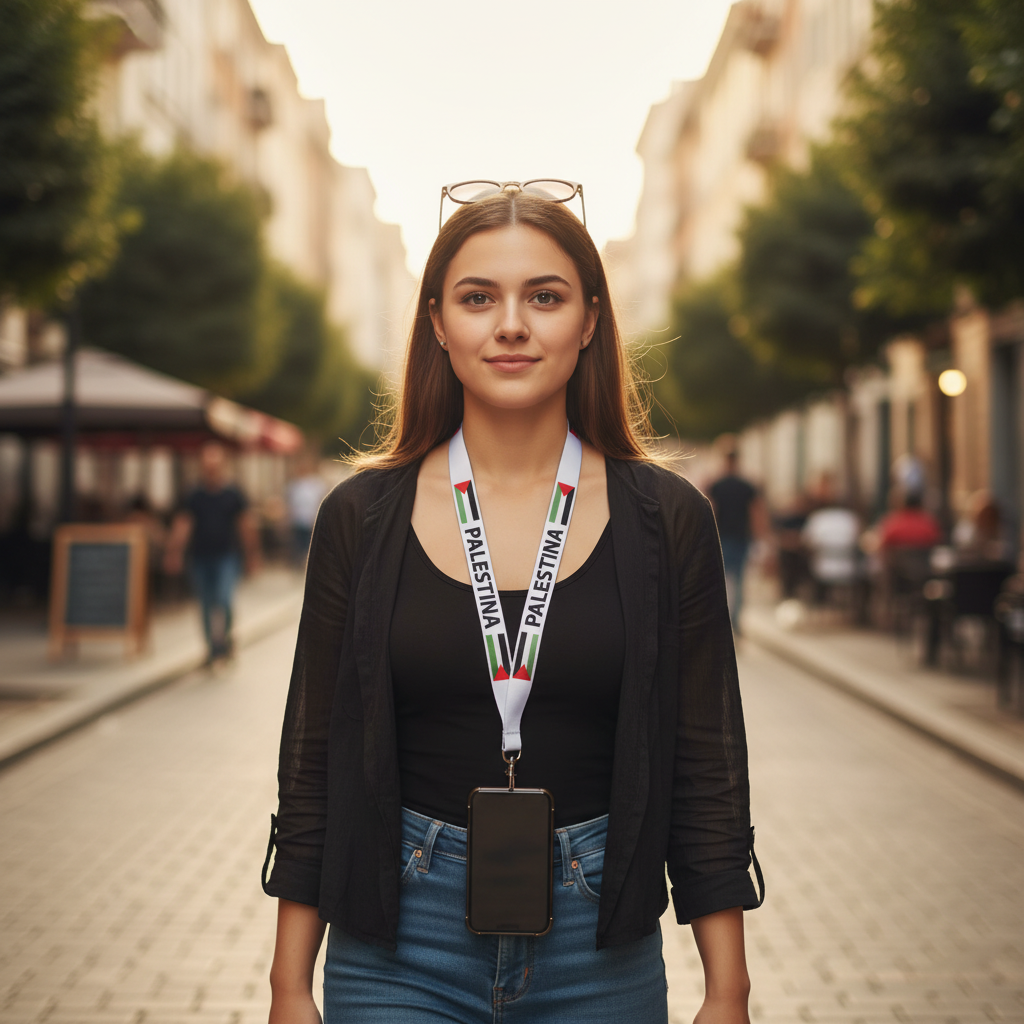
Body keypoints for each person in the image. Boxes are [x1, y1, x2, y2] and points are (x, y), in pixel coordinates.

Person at [262, 183, 763, 1024]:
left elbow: (708, 766)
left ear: (591, 319)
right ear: (436, 323)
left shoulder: (668, 519)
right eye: (477, 298)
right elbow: (315, 758)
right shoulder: (361, 517)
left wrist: (728, 990)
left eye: (545, 296)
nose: (511, 325)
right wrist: (288, 986)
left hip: (598, 941)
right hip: (398, 941)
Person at [164, 442, 260, 664]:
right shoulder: (194, 495)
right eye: (207, 466)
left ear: (222, 466)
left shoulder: (233, 493)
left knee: (224, 599)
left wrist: (253, 556)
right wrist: (174, 552)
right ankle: (211, 649)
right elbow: (183, 524)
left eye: (214, 465)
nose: (211, 470)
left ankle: (225, 639)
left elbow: (245, 525)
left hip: (227, 556)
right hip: (200, 557)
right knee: (206, 603)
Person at [708, 450, 761, 633]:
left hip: (721, 536)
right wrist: (759, 536)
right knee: (739, 582)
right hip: (741, 536)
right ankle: (735, 622)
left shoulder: (717, 484)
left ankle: (720, 621)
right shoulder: (746, 485)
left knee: (719, 581)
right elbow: (756, 512)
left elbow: (710, 511)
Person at [285, 455, 328, 565]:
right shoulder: (294, 485)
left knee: (309, 544)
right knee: (299, 544)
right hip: (298, 520)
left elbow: (321, 499)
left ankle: (307, 562)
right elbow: (289, 503)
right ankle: (300, 562)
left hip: (311, 520)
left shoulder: (316, 483)